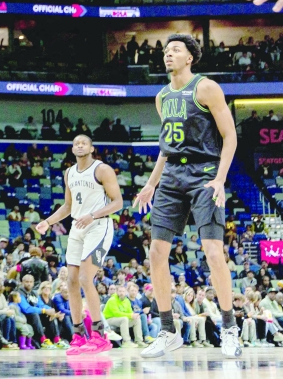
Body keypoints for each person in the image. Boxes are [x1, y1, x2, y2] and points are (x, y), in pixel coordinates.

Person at [134, 34, 242, 359]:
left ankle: (229, 328)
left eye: (175, 50)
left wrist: (221, 179)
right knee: (155, 253)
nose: (169, 54)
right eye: (166, 51)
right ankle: (168, 331)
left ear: (189, 58)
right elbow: (166, 148)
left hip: (205, 173)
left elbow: (230, 135)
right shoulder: (162, 96)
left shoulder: (205, 87)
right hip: (171, 177)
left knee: (212, 252)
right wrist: (151, 183)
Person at [35, 134, 122, 355]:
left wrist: (93, 215)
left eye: (83, 143)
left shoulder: (102, 170)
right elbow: (67, 206)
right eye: (76, 143)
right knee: (71, 280)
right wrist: (47, 221)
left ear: (92, 148)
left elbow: (118, 203)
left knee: (85, 278)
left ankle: (100, 335)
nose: (79, 145)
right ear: (72, 149)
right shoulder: (69, 173)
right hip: (77, 227)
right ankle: (78, 335)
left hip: (98, 226)